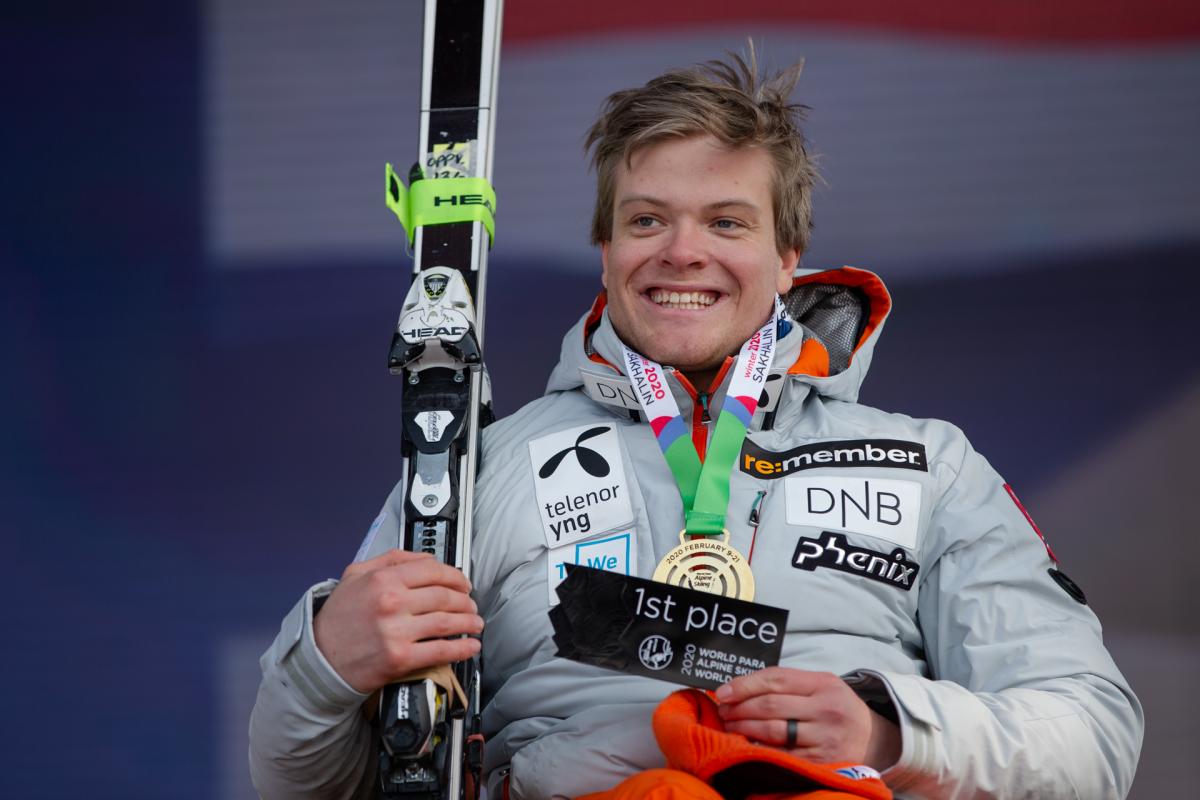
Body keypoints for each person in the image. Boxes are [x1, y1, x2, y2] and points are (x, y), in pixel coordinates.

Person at [249, 52, 1143, 799]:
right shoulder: (482, 467)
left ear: (787, 257)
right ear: (606, 247)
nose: (683, 252)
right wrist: (323, 666)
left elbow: (1094, 738)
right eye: (648, 220)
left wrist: (888, 726)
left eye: (726, 221)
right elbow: (315, 784)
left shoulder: (929, 466)